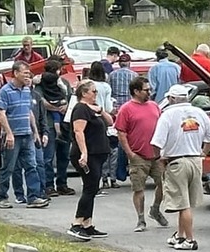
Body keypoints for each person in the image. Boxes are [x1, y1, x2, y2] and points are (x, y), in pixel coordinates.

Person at [150, 83, 210, 251]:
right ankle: (180, 236)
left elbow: (156, 142)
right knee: (187, 200)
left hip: (176, 161)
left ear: (172, 98)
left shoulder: (167, 115)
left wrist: (159, 157)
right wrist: (203, 153)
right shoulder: (199, 112)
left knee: (182, 203)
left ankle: (189, 239)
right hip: (195, 160)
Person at [0, 60, 48, 209]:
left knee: (32, 165)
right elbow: (1, 113)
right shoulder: (5, 91)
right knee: (8, 167)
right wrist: (9, 134)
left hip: (27, 134)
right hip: (13, 136)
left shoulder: (27, 90)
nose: (28, 76)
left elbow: (29, 111)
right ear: (15, 73)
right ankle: (2, 197)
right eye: (25, 73)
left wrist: (35, 131)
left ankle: (33, 197)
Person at [115, 74, 165, 231]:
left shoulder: (154, 106)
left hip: (157, 155)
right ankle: (141, 219)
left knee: (163, 185)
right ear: (136, 91)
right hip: (138, 155)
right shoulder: (126, 109)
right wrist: (130, 153)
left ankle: (155, 209)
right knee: (139, 189)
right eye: (146, 90)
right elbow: (121, 133)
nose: (149, 92)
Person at [67, 80, 113, 241]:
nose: (96, 94)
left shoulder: (91, 109)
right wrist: (84, 153)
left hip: (98, 153)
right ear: (84, 93)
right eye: (93, 92)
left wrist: (100, 109)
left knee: (92, 188)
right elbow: (79, 132)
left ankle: (88, 224)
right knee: (90, 188)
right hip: (88, 154)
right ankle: (77, 223)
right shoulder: (80, 109)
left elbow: (110, 121)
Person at [35, 65, 72, 195]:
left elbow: (70, 97)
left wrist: (66, 105)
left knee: (64, 155)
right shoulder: (40, 86)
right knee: (48, 157)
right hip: (48, 123)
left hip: (65, 123)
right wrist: (56, 108)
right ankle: (48, 185)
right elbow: (41, 101)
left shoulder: (64, 83)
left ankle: (62, 183)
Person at [107, 50, 135, 183]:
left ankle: (119, 171)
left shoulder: (112, 75)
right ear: (129, 63)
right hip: (131, 109)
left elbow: (110, 92)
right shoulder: (134, 75)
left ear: (119, 63)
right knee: (130, 140)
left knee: (118, 140)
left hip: (116, 110)